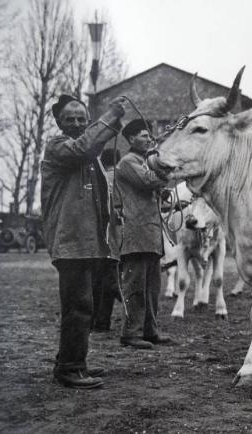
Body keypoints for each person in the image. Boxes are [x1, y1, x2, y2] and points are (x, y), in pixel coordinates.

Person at [41, 94, 126, 388]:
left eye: (81, 118)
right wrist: (109, 118)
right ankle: (69, 368)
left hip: (88, 244)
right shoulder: (57, 147)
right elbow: (86, 146)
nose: (76, 123)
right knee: (78, 307)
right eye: (69, 119)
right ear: (58, 123)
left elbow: (92, 146)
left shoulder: (89, 158)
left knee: (85, 307)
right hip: (70, 243)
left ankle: (77, 362)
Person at [117, 118, 173, 349]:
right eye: (143, 135)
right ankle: (131, 333)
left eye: (149, 135)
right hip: (135, 234)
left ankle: (150, 331)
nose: (149, 139)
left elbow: (152, 190)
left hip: (149, 234)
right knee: (136, 286)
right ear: (130, 139)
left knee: (152, 287)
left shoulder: (142, 161)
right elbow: (148, 181)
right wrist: (166, 167)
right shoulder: (129, 162)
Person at [91, 149, 123, 332]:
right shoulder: (119, 178)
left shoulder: (99, 178)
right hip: (115, 238)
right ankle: (103, 321)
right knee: (111, 282)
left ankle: (94, 320)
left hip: (98, 238)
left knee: (96, 281)